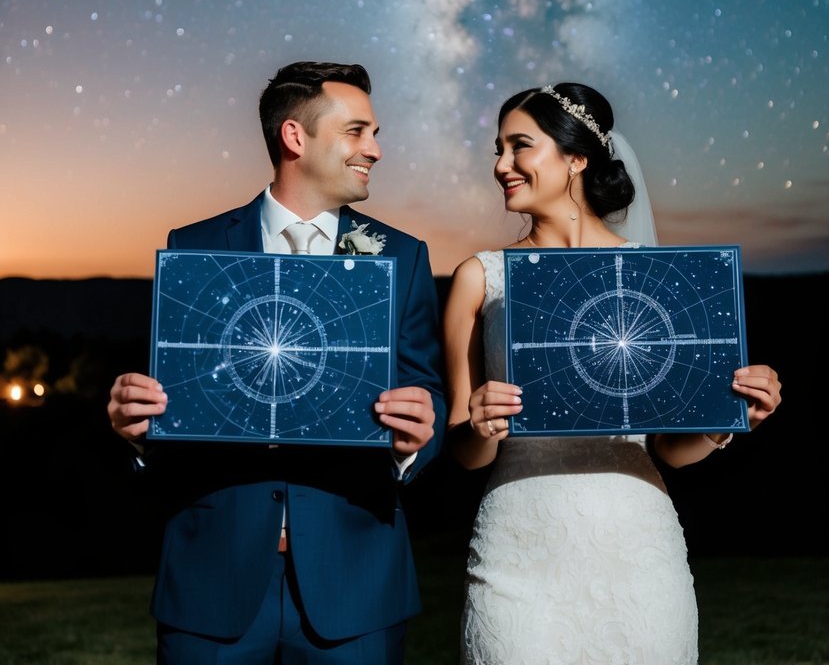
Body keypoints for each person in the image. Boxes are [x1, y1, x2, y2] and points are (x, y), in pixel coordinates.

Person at [108, 60, 445, 665]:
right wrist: (138, 431)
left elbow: (428, 389)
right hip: (214, 583)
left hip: (355, 586)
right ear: (296, 137)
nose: (375, 149)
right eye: (358, 131)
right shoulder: (194, 247)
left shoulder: (403, 256)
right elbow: (174, 392)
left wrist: (419, 435)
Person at [443, 81, 782, 665]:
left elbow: (671, 451)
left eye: (519, 146)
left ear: (576, 158)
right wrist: (477, 425)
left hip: (637, 548)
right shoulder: (480, 279)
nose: (501, 165)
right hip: (521, 546)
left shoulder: (659, 278)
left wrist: (725, 419)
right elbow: (466, 455)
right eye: (496, 149)